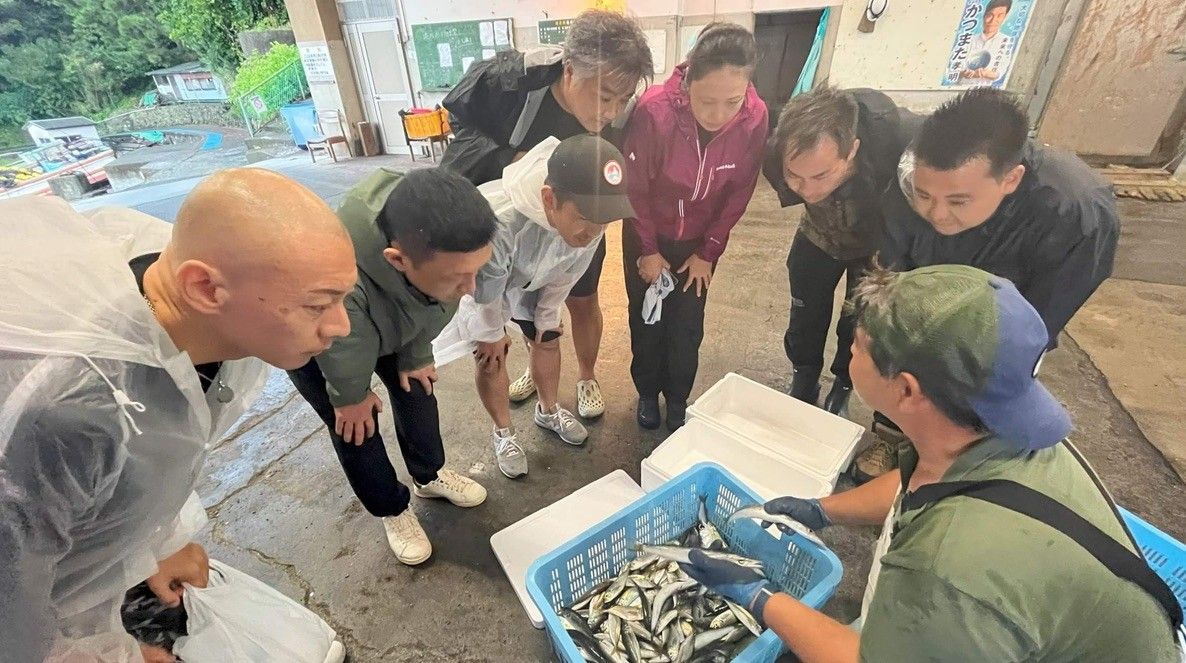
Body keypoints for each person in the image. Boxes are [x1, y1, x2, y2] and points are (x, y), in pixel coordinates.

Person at [680, 264, 1181, 662]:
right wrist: (821, 510)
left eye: (857, 346)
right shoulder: (1001, 430)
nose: (849, 352)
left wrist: (759, 597)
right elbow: (918, 486)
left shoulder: (948, 568)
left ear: (906, 389)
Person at [0, 169, 357, 663]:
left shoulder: (202, 301)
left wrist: (158, 540)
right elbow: (11, 599)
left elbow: (161, 449)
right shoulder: (70, 413)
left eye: (343, 298)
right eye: (318, 305)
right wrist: (102, 656)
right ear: (204, 288)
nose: (341, 326)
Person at [856, 86, 1120, 478]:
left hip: (1011, 307)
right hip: (932, 283)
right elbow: (892, 277)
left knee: (981, 375)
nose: (936, 214)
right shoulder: (914, 179)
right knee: (901, 343)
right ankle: (892, 437)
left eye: (958, 201)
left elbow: (1033, 328)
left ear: (1011, 179)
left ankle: (962, 460)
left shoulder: (1075, 213)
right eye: (924, 195)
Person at [441, 9, 653, 421]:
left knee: (583, 299)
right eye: (604, 97)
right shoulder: (512, 81)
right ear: (570, 70)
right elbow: (461, 120)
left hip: (584, 221)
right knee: (524, 301)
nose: (611, 111)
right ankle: (536, 369)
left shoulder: (619, 111)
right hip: (520, 222)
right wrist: (507, 158)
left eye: (622, 99)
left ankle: (587, 376)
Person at [286, 168, 497, 566]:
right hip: (322, 342)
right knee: (355, 426)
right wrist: (349, 396)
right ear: (398, 260)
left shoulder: (444, 248)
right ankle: (391, 508)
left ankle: (428, 475)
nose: (471, 288)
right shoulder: (337, 271)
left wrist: (416, 353)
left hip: (393, 320)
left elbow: (435, 301)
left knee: (418, 391)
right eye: (458, 277)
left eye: (476, 271)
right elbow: (344, 341)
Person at [432, 134, 634, 479]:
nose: (594, 231)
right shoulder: (500, 221)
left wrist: (546, 316)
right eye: (585, 218)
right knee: (491, 355)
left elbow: (567, 273)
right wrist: (491, 333)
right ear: (549, 198)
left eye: (603, 221)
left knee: (548, 337)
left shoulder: (592, 225)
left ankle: (548, 410)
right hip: (484, 282)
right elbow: (488, 287)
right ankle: (504, 432)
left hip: (534, 274)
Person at [621, 22, 768, 431]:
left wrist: (709, 252)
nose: (719, 115)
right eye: (707, 101)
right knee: (647, 319)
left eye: (732, 102)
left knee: (687, 325)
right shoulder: (654, 111)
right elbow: (635, 189)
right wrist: (648, 250)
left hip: (700, 243)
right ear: (688, 84)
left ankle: (678, 398)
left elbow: (740, 190)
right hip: (648, 233)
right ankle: (647, 392)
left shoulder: (755, 119)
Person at [762, 86, 918, 416]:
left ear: (852, 150)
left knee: (859, 317)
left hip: (874, 243)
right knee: (805, 312)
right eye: (795, 176)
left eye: (821, 175)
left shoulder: (898, 147)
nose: (808, 190)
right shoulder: (775, 154)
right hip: (818, 233)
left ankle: (843, 386)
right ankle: (804, 376)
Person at [955, 0, 1014, 87]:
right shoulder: (968, 39)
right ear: (984, 15)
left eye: (999, 16)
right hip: (959, 88)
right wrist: (964, 73)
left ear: (1005, 17)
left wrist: (985, 73)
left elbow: (1000, 72)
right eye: (990, 15)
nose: (993, 20)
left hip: (984, 91)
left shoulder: (1007, 41)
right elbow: (953, 69)